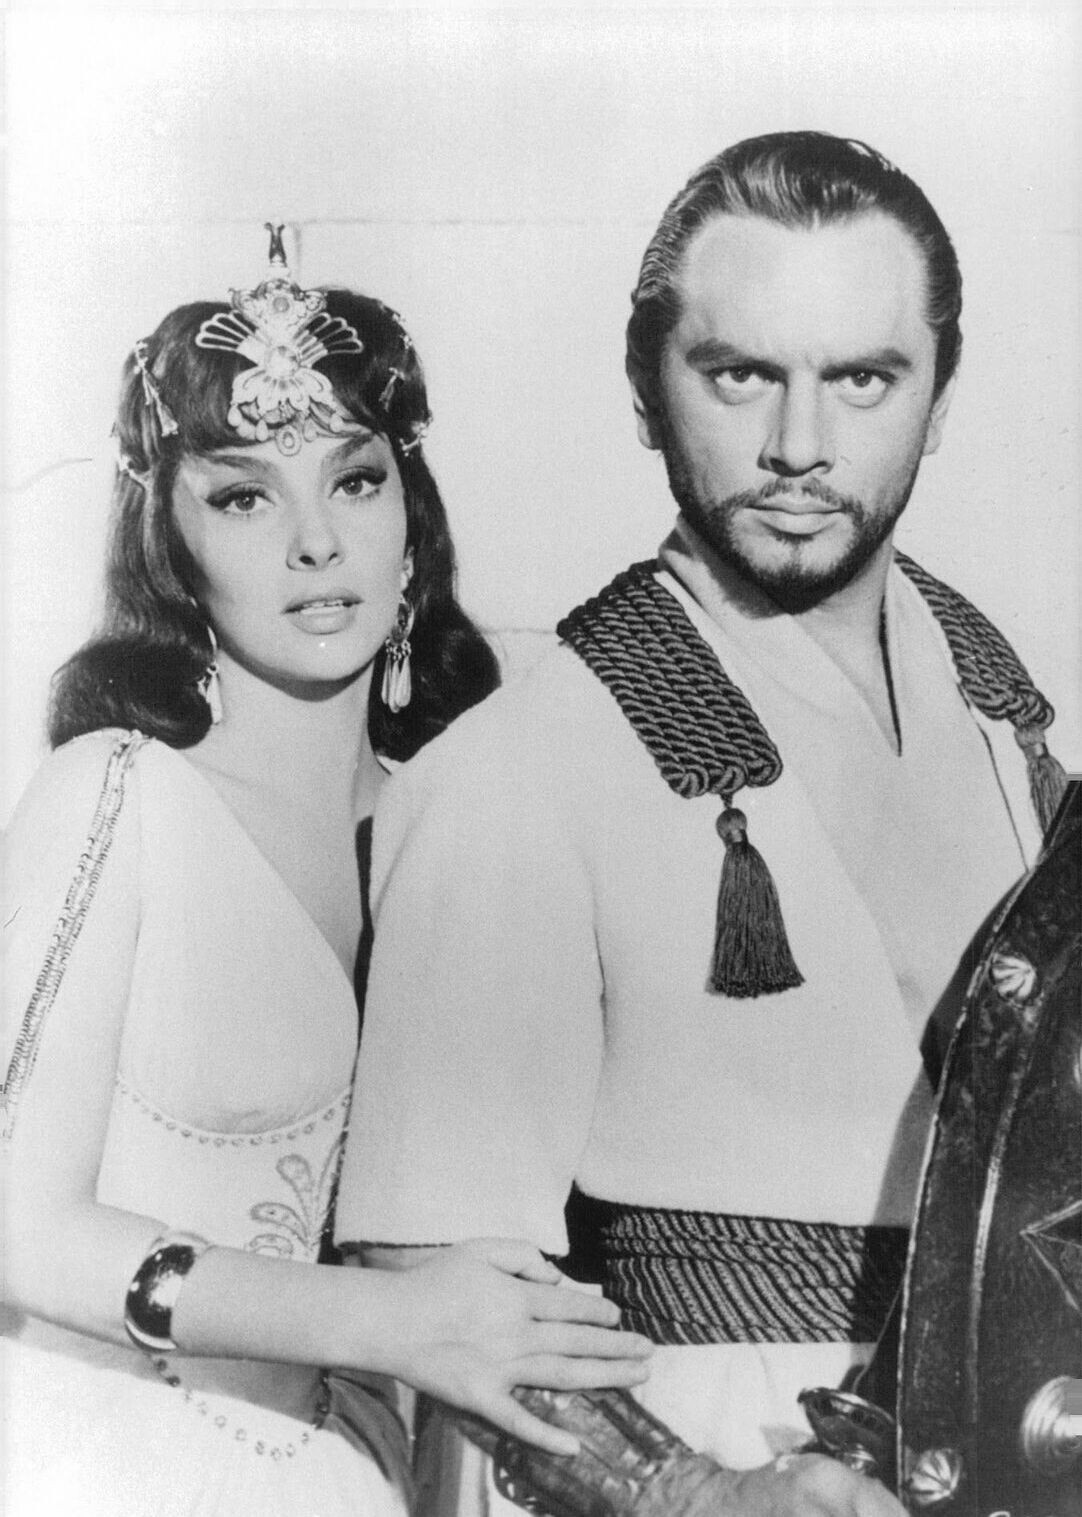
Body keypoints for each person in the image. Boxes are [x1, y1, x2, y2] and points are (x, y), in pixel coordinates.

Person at [334, 134, 1067, 1515]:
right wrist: (690, 1492)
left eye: (862, 378)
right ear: (643, 382)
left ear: (940, 392)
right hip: (715, 1452)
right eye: (740, 374)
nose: (798, 445)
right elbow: (423, 1290)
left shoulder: (1005, 730)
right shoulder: (515, 772)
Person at [0, 230, 652, 1517]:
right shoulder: (119, 794)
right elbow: (14, 1223)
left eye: (353, 481)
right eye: (243, 497)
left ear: (412, 518)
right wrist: (392, 1321)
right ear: (168, 543)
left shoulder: (475, 811)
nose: (314, 541)